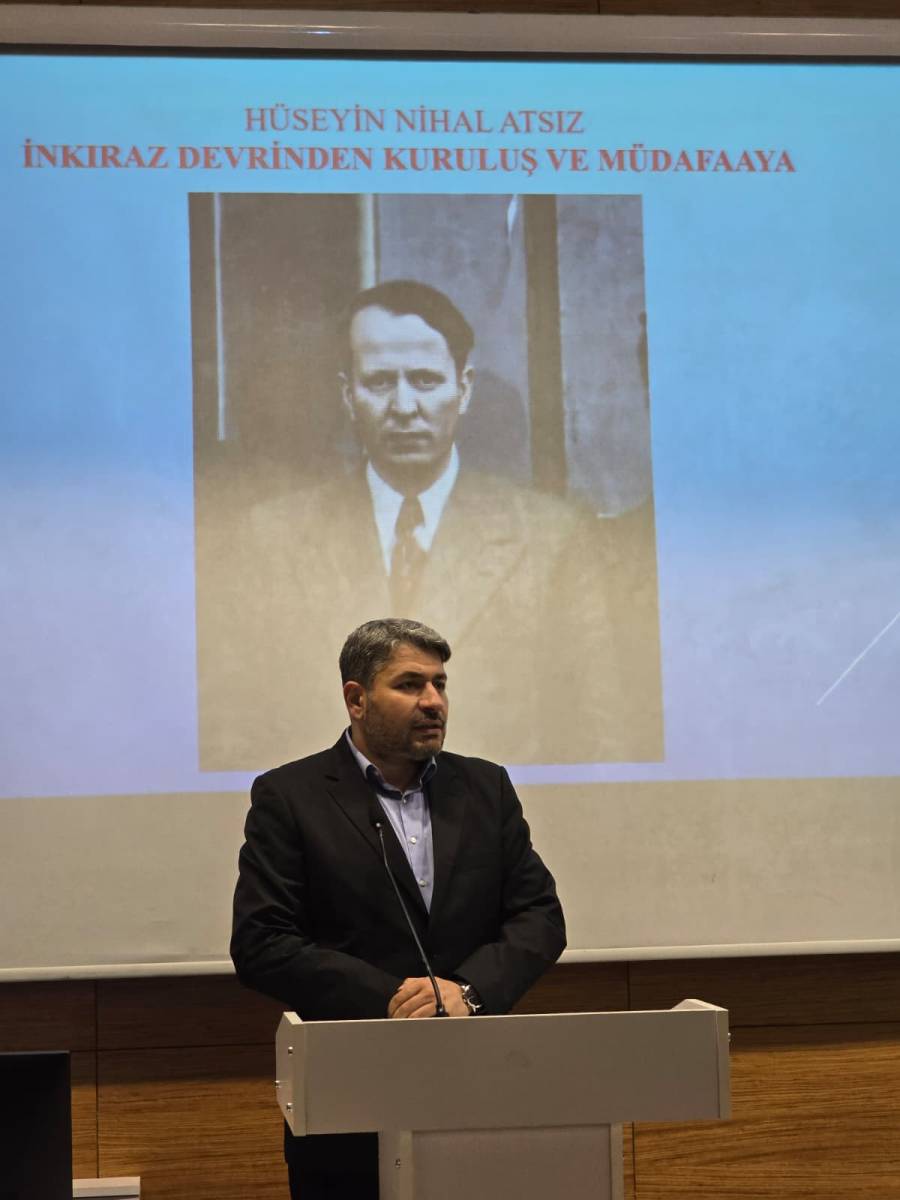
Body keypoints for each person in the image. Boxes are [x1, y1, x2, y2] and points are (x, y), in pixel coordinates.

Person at [196, 280, 662, 770]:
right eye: (380, 383)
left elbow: (599, 740)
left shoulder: (552, 537)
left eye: (424, 381)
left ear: (463, 388)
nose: (403, 407)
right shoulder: (270, 539)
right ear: (349, 395)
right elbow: (231, 736)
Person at [230, 617, 567, 1200]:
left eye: (440, 684)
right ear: (356, 699)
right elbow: (262, 942)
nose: (433, 701)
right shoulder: (291, 796)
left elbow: (540, 916)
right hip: (349, 1100)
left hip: (478, 1086)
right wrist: (392, 997)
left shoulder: (485, 788)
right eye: (410, 685)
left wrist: (469, 992)